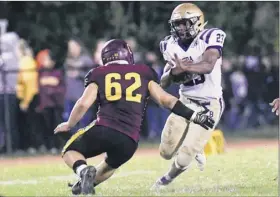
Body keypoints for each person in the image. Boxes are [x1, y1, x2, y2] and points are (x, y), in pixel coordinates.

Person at [54, 39, 215, 195]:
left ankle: (82, 171)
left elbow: (83, 103)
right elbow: (166, 100)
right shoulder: (143, 72)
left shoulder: (99, 73)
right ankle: (84, 185)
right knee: (109, 166)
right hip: (130, 140)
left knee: (70, 150)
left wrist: (69, 124)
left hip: (105, 127)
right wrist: (194, 115)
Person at [152, 3, 226, 189]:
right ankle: (197, 146)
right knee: (166, 151)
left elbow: (208, 64)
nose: (181, 28)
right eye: (178, 24)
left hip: (209, 103)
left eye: (185, 23)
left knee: (185, 157)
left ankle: (165, 180)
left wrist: (186, 67)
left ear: (198, 22)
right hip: (185, 102)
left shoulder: (210, 36)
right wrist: (173, 73)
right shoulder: (168, 44)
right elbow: (164, 82)